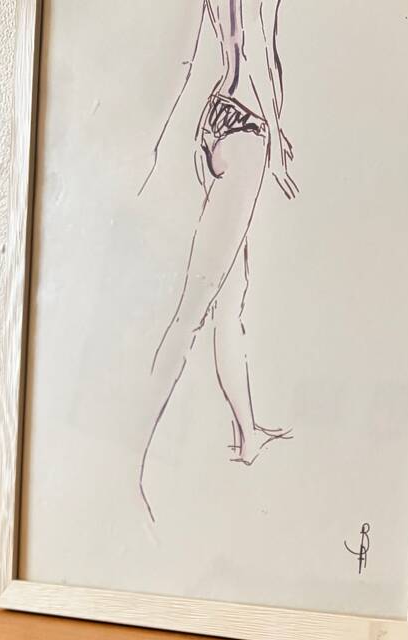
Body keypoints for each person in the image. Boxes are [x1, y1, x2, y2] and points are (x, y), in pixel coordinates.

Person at [139, 0, 297, 519]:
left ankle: (247, 433)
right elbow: (257, 52)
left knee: (230, 300)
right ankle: (130, 454)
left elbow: (229, 46)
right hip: (248, 129)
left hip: (216, 121)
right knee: (196, 306)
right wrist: (275, 135)